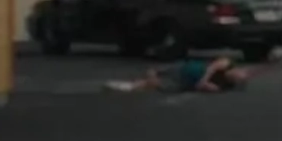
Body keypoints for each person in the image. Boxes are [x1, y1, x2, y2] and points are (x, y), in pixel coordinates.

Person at [104, 57, 249, 93]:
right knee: (157, 73)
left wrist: (207, 86)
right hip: (186, 68)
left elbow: (211, 88)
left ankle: (127, 86)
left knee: (154, 85)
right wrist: (204, 80)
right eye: (237, 74)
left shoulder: (225, 84)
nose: (234, 76)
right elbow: (212, 67)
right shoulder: (227, 63)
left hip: (185, 81)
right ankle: (134, 83)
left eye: (236, 78)